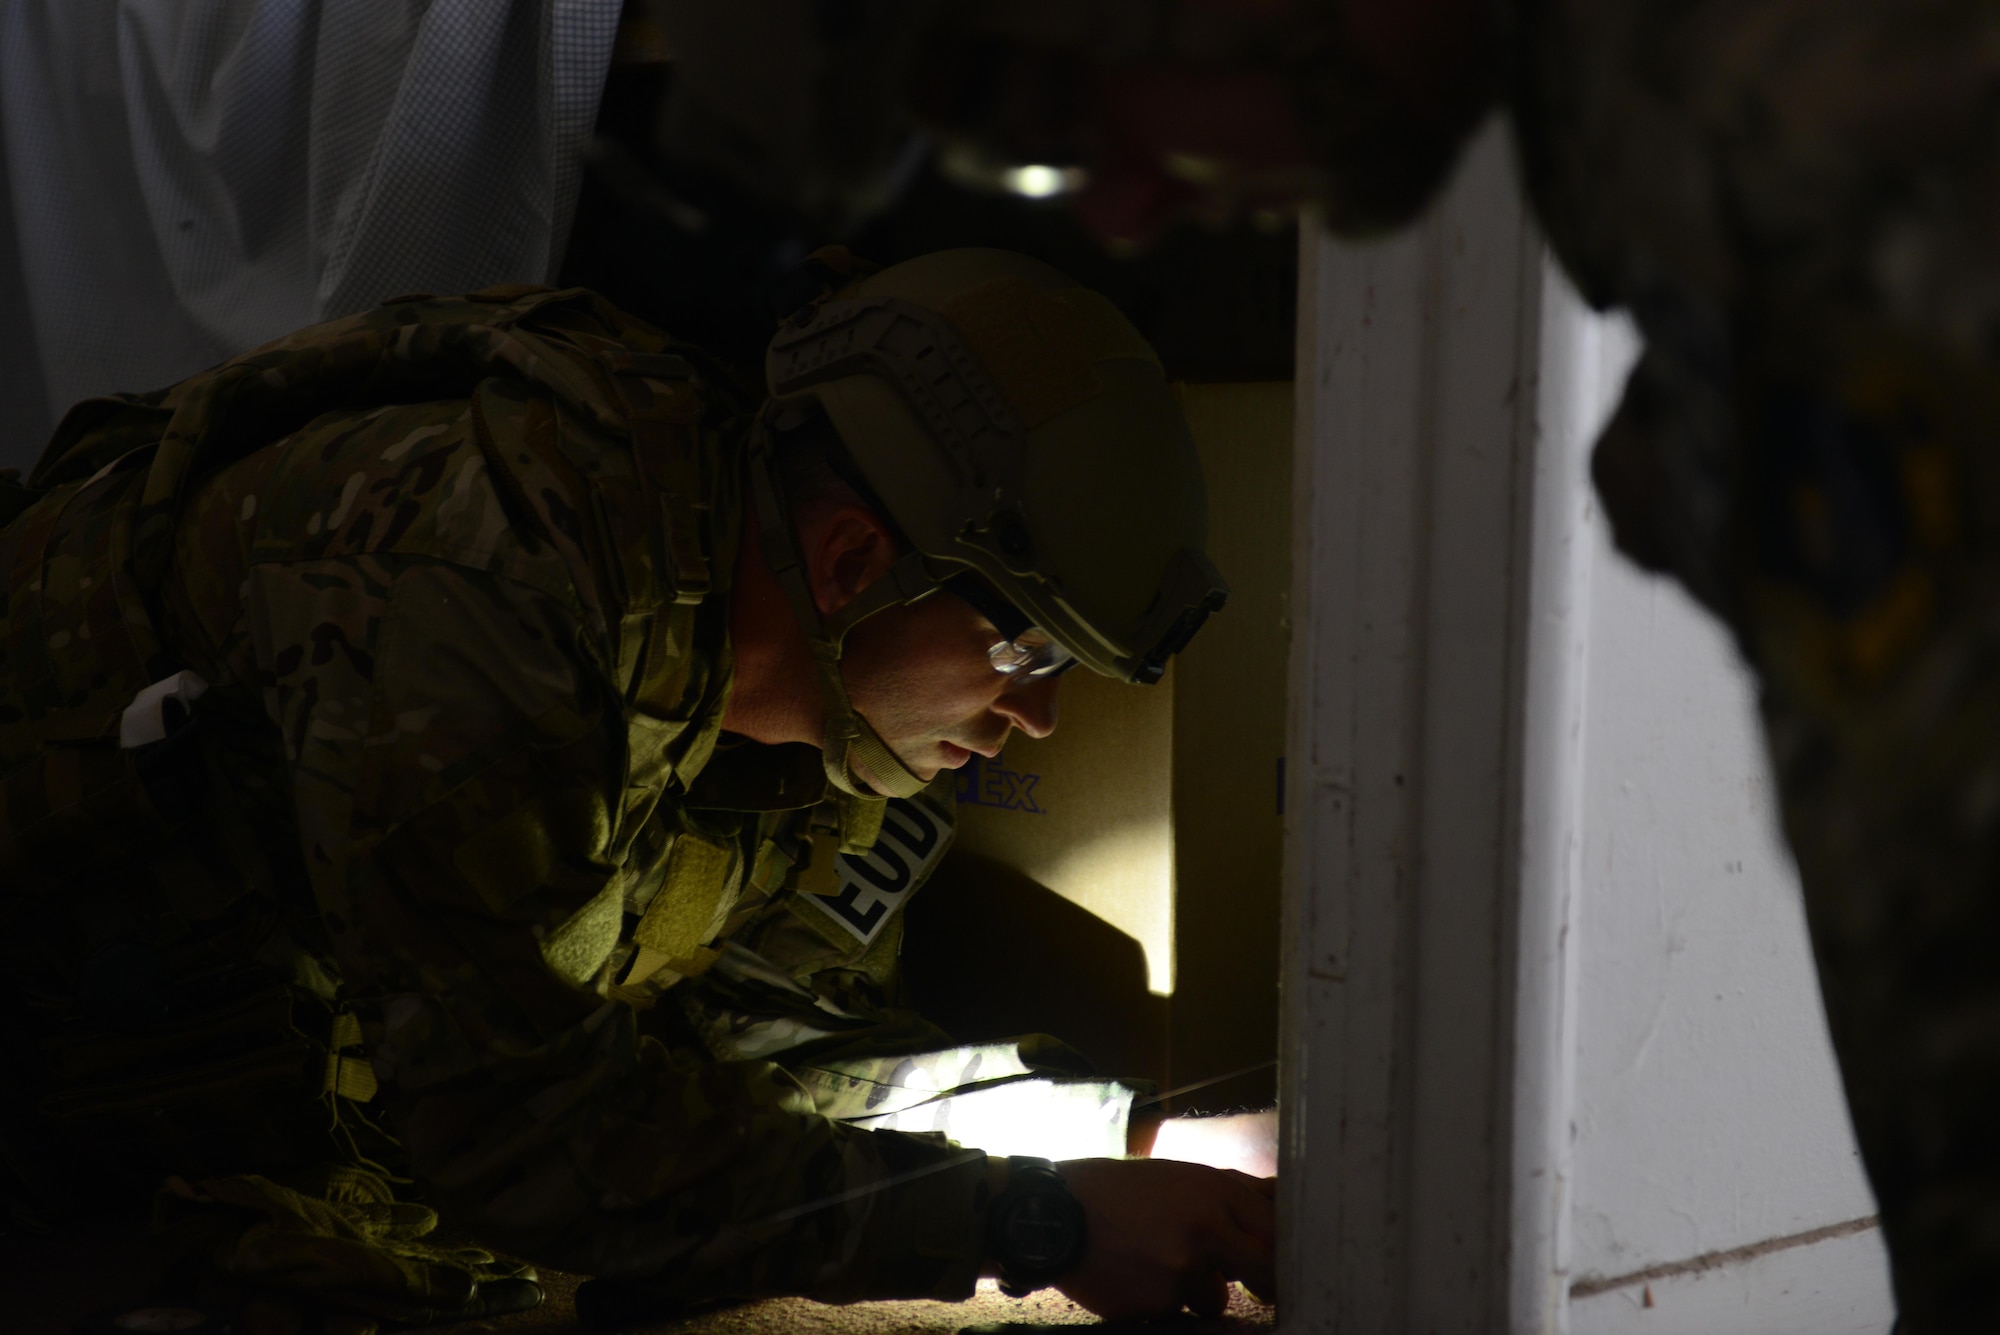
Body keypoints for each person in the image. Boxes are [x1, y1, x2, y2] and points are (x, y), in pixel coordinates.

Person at [0, 247, 1275, 1330]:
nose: (1035, 717)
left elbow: (711, 1070)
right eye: (1023, 649)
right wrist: (1033, 1227)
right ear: (850, 561)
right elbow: (525, 1133)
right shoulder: (479, 587)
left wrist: (1128, 1137)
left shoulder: (772, 709)